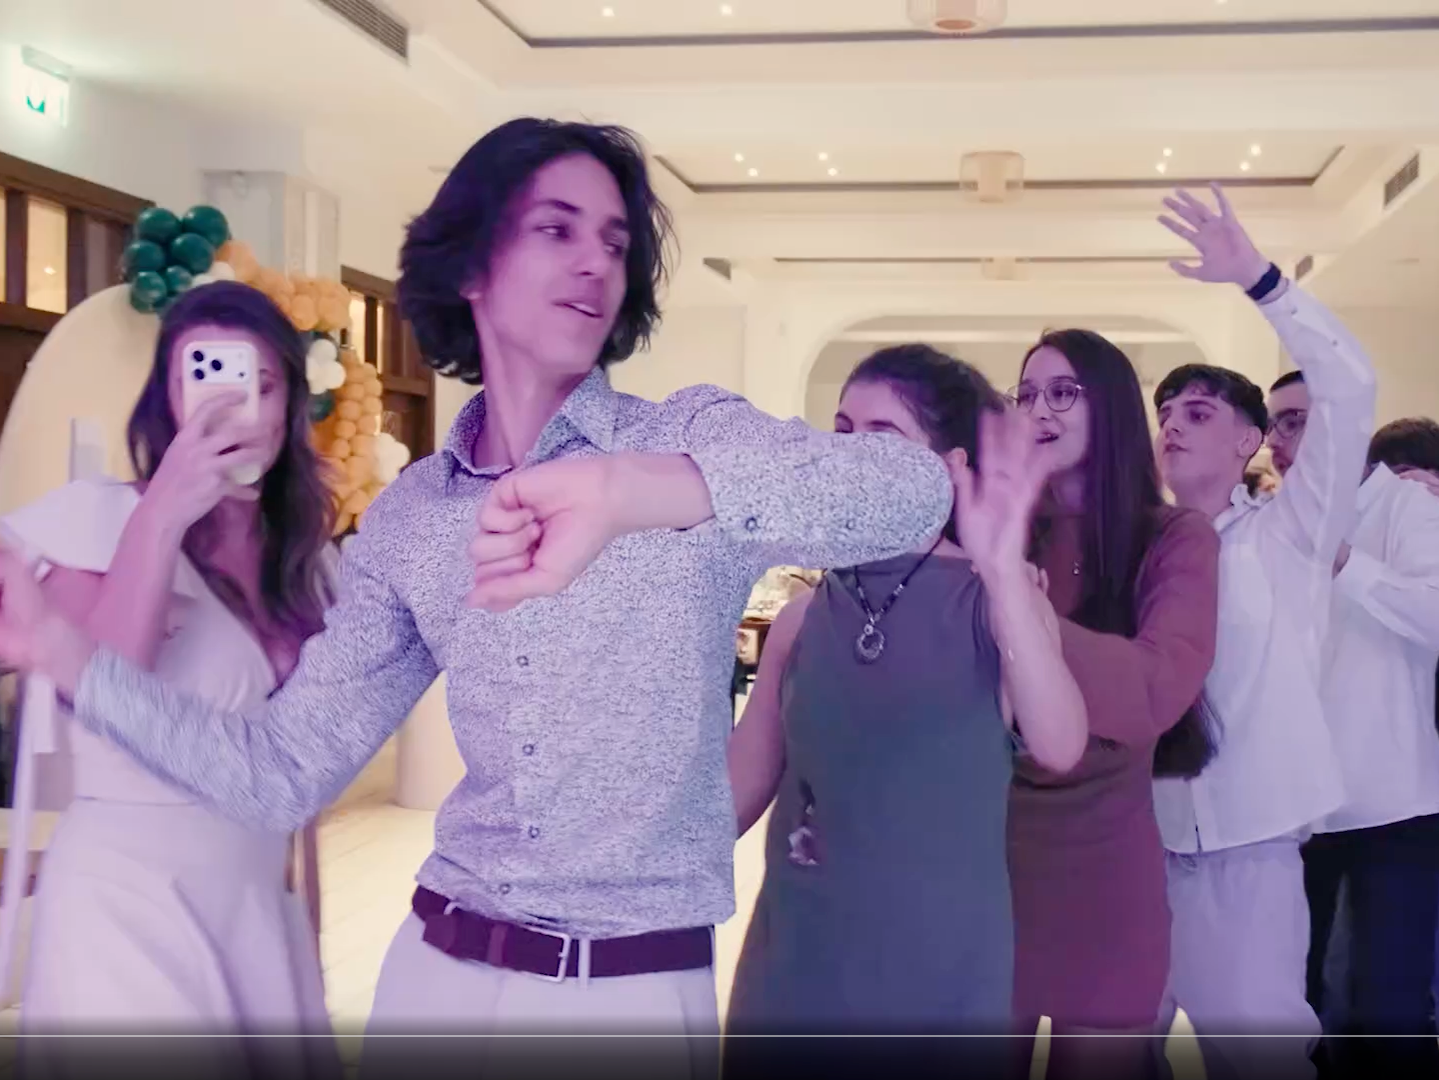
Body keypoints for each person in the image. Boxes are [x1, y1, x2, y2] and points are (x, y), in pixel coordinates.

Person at [0, 119, 952, 1078]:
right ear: (471, 268)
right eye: (556, 229)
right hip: (436, 977)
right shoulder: (416, 515)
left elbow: (908, 494)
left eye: (614, 241)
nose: (595, 262)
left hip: (624, 990)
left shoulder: (685, 436)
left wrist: (635, 490)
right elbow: (280, 772)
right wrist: (64, 653)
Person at [0, 281, 339, 1077]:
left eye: (261, 383)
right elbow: (108, 688)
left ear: (290, 405)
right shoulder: (95, 519)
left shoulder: (312, 564)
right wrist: (162, 514)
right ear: (168, 400)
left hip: (258, 897)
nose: (233, 408)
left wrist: (305, 928)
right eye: (206, 378)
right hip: (125, 901)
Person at [722, 346, 1087, 1073]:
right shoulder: (800, 617)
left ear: (948, 466)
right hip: (795, 964)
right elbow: (728, 800)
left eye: (881, 436)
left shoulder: (997, 603)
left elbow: (1060, 744)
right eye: (842, 431)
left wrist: (1001, 572)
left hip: (938, 974)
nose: (851, 454)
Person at [1150, 185, 1376, 1080]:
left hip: (1248, 855)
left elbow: (1348, 386)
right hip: (1136, 843)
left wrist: (1259, 279)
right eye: (1165, 413)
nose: (1172, 426)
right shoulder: (1133, 549)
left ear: (1249, 440)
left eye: (1198, 413)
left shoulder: (1288, 535)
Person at [1006, 194, 1223, 1080]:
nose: (1039, 409)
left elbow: (1154, 691)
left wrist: (1026, 614)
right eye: (1025, 394)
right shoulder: (995, 539)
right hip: (985, 870)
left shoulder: (1174, 538)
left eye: (1063, 392)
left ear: (1112, 410)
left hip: (1107, 875)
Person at [1288, 413, 1439, 1079]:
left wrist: (1348, 563)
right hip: (1297, 802)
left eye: (1299, 421)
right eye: (1277, 425)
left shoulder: (1406, 515)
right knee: (1297, 995)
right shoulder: (1278, 523)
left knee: (1389, 999)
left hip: (1397, 800)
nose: (1282, 440)